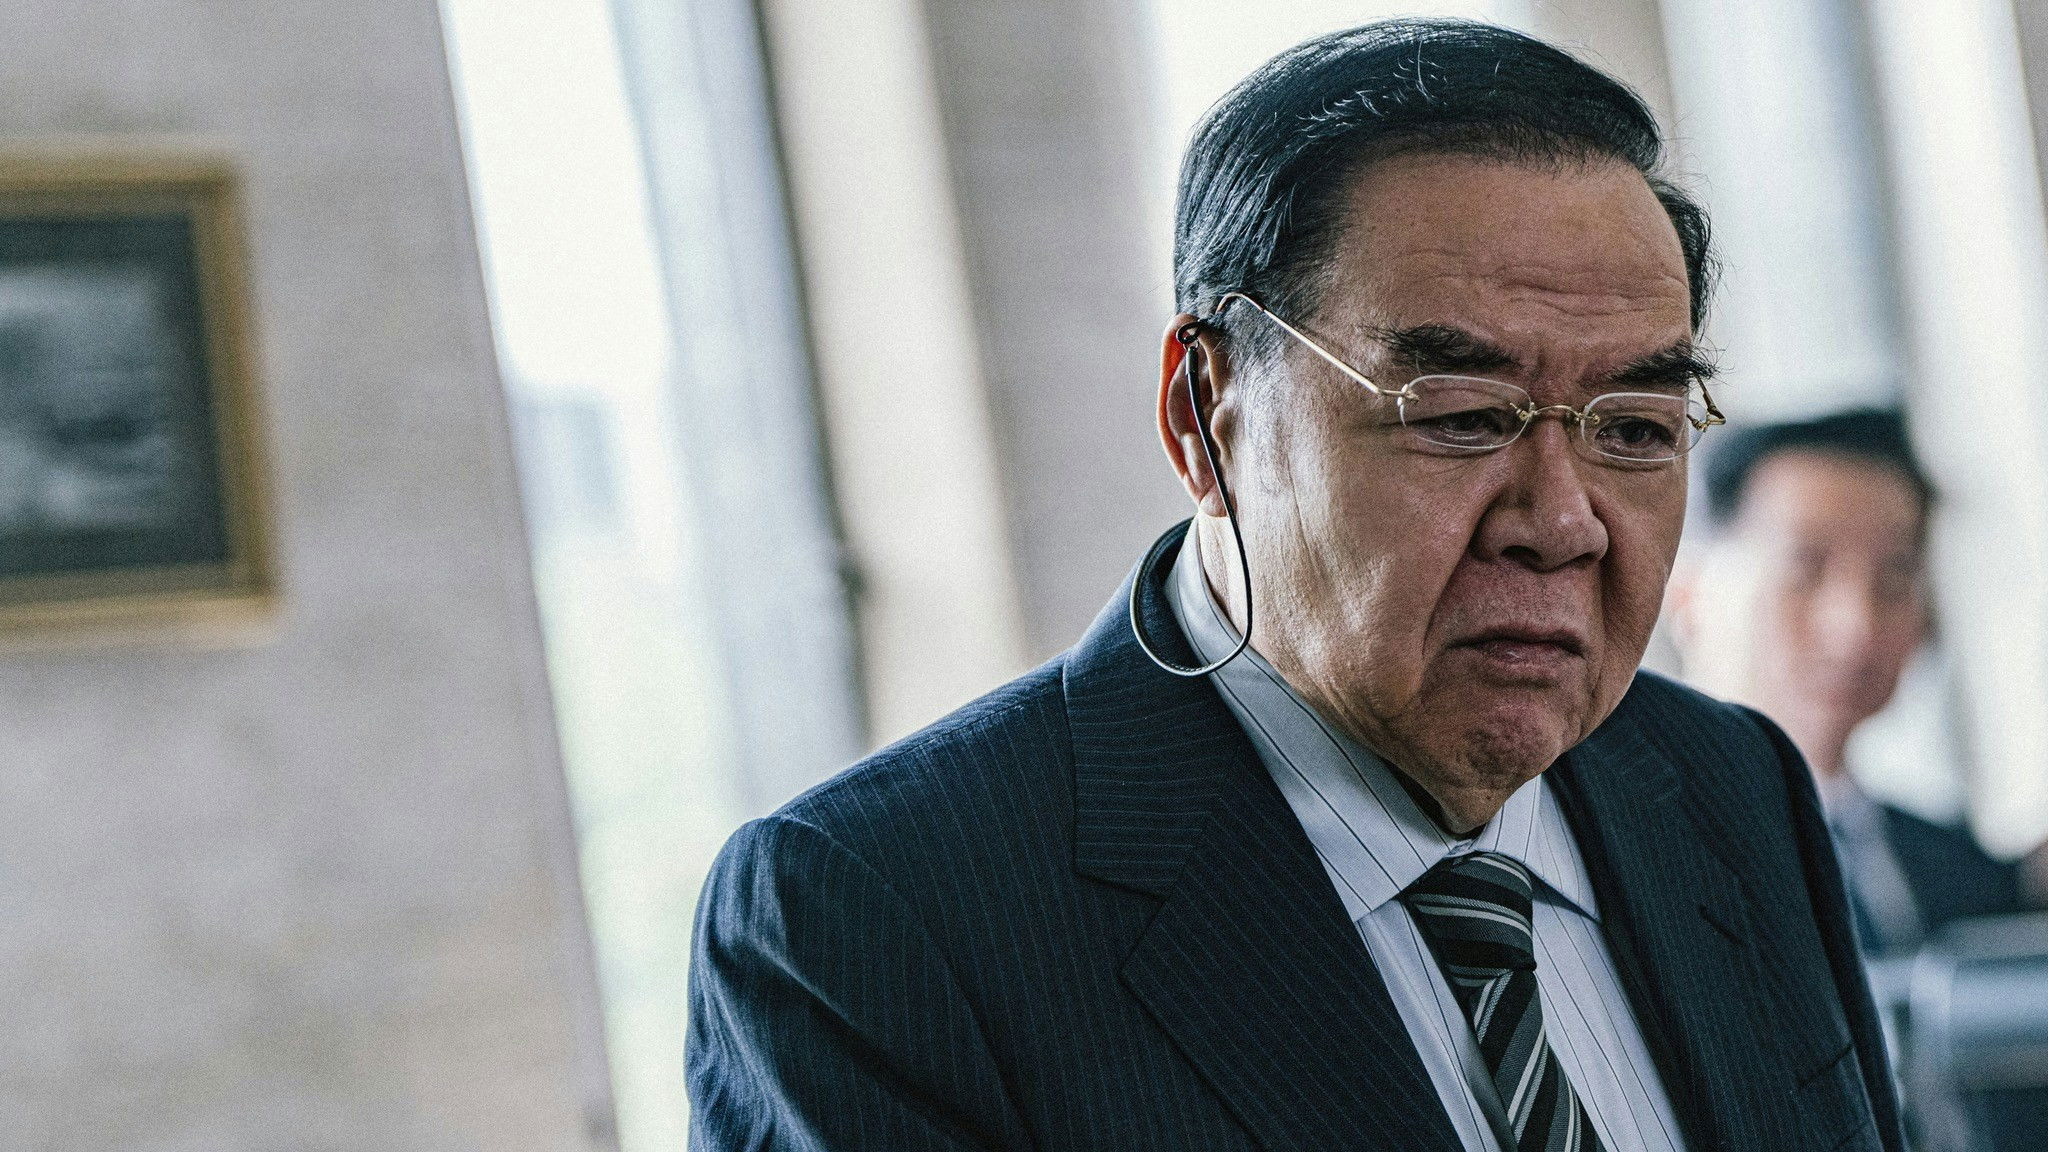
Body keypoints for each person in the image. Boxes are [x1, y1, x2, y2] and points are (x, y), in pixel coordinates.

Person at [687, 19, 1902, 1151]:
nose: (1559, 524)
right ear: (1201, 414)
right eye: (1460, 416)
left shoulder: (1726, 788)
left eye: (1632, 429)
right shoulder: (875, 917)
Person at [1668, 409, 2027, 959]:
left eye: (1894, 579)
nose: (1856, 628)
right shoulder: (1624, 849)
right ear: (1689, 596)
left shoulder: (1965, 871)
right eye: (1804, 569)